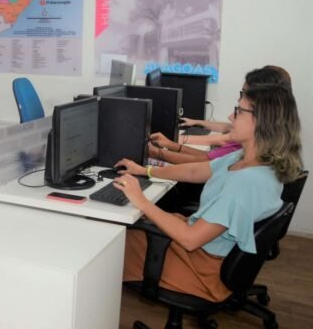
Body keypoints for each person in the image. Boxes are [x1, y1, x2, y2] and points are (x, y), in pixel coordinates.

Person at [113, 84, 302, 303]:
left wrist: (142, 201)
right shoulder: (249, 159)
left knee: (111, 246)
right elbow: (194, 171)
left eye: (239, 111)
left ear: (263, 122)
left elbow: (190, 239)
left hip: (199, 269)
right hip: (206, 248)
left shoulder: (246, 182)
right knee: (128, 230)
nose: (231, 117)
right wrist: (145, 171)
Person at [148, 66, 293, 165]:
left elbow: (204, 163)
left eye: (244, 93)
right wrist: (171, 144)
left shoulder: (250, 147)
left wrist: (161, 151)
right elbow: (208, 157)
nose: (231, 117)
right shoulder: (275, 135)